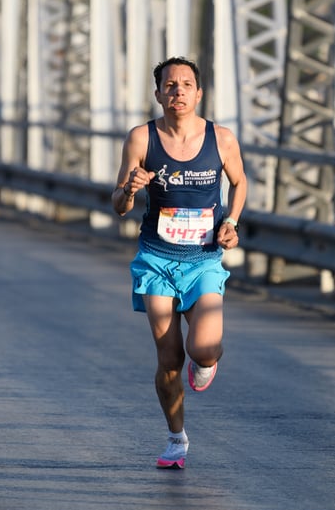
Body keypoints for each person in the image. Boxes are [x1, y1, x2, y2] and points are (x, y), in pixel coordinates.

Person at [112, 56, 248, 469]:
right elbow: (118, 204)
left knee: (204, 350)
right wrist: (131, 190)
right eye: (170, 85)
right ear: (158, 94)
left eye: (186, 84)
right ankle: (176, 438)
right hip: (156, 259)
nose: (178, 92)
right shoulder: (141, 139)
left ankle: (205, 363)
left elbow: (239, 182)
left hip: (204, 259)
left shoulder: (220, 139)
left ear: (199, 92)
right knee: (169, 360)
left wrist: (232, 221)